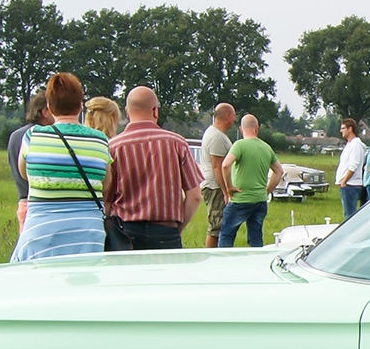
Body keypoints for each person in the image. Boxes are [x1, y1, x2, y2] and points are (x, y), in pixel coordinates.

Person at [11, 73, 110, 261]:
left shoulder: (33, 136)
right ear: (80, 105)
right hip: (89, 236)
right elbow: (106, 183)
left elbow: (24, 173)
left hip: (40, 234)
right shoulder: (100, 139)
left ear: (49, 107)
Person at [102, 86, 202, 250]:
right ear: (155, 111)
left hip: (125, 233)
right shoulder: (177, 143)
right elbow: (195, 195)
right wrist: (178, 229)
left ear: (127, 112)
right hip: (166, 231)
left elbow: (107, 198)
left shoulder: (113, 147)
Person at [217, 114, 283, 247]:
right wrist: (267, 190)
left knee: (226, 233)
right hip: (259, 200)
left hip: (240, 199)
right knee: (255, 236)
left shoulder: (239, 145)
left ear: (241, 129)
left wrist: (229, 187)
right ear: (257, 128)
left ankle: (223, 262)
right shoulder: (266, 147)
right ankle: (257, 261)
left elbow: (225, 165)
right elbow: (279, 171)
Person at [8, 92, 53, 229]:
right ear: (44, 112)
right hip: (43, 204)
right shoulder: (46, 135)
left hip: (24, 201)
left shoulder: (15, 136)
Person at [199, 103, 236, 248]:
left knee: (219, 226)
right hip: (215, 187)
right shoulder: (216, 137)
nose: (234, 119)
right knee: (215, 227)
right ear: (227, 116)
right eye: (233, 115)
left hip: (217, 187)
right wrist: (225, 191)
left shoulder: (217, 134)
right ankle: (211, 259)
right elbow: (217, 167)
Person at [335, 117, 366, 219]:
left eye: (343, 128)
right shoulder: (350, 144)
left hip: (350, 185)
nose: (341, 131)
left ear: (350, 129)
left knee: (349, 216)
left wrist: (344, 181)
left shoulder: (356, 145)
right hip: (348, 184)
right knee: (347, 214)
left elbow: (354, 165)